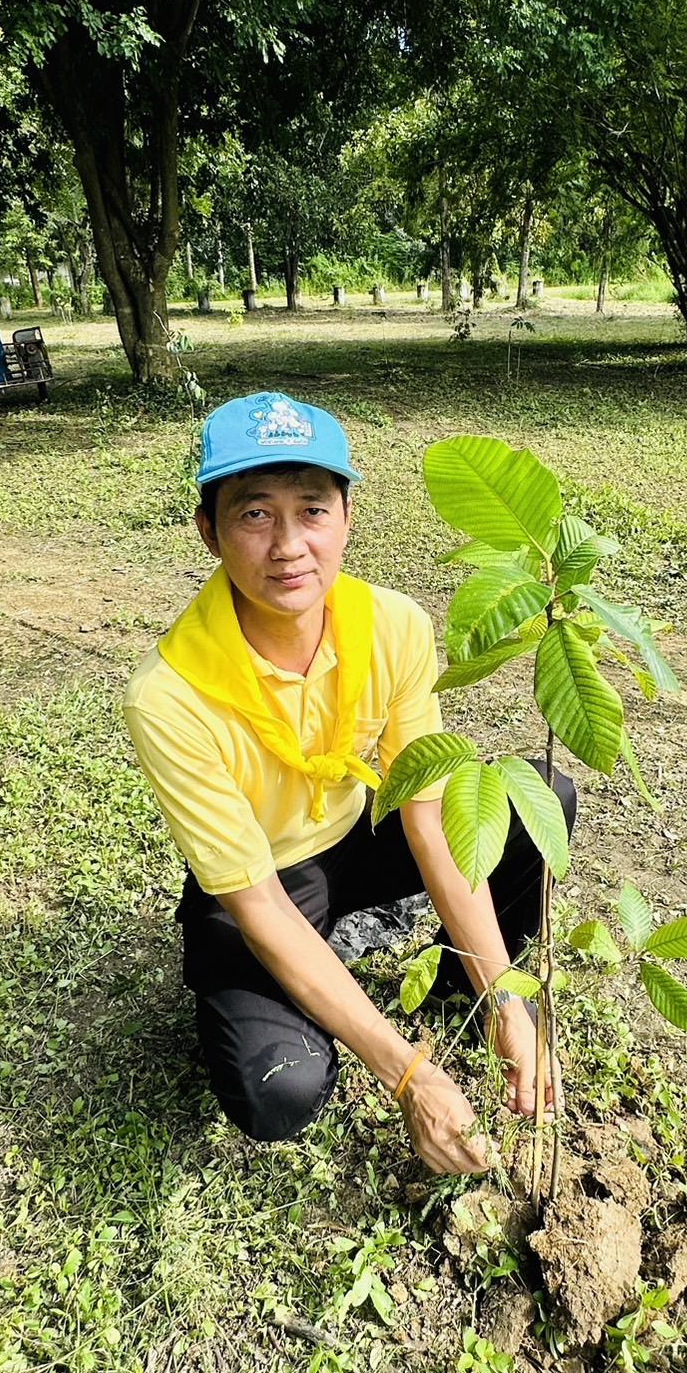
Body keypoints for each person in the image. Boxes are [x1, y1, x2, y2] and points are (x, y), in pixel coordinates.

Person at [124, 391, 575, 1175]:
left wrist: (505, 994)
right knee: (282, 1090)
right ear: (209, 531)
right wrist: (408, 1073)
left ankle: (452, 993)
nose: (289, 546)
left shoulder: (394, 624)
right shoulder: (168, 696)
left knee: (540, 801)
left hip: (363, 829)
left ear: (348, 516)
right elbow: (259, 905)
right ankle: (279, 1004)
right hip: (265, 885)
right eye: (255, 514)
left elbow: (431, 820)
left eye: (312, 509)